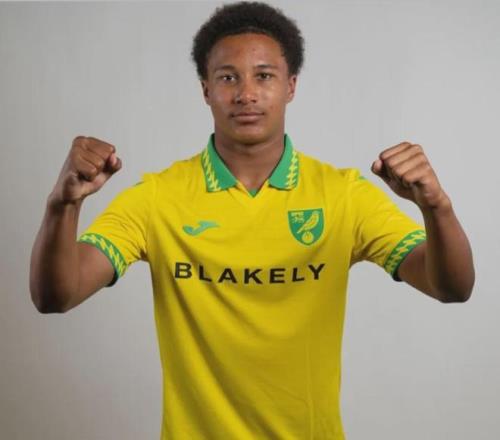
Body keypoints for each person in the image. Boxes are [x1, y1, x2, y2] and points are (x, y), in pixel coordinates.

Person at [30, 2, 475, 439]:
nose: (246, 94)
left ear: (291, 86)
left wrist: (437, 208)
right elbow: (56, 296)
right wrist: (61, 206)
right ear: (206, 90)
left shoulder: (344, 195)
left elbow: (452, 288)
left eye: (264, 76)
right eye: (228, 78)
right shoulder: (157, 198)